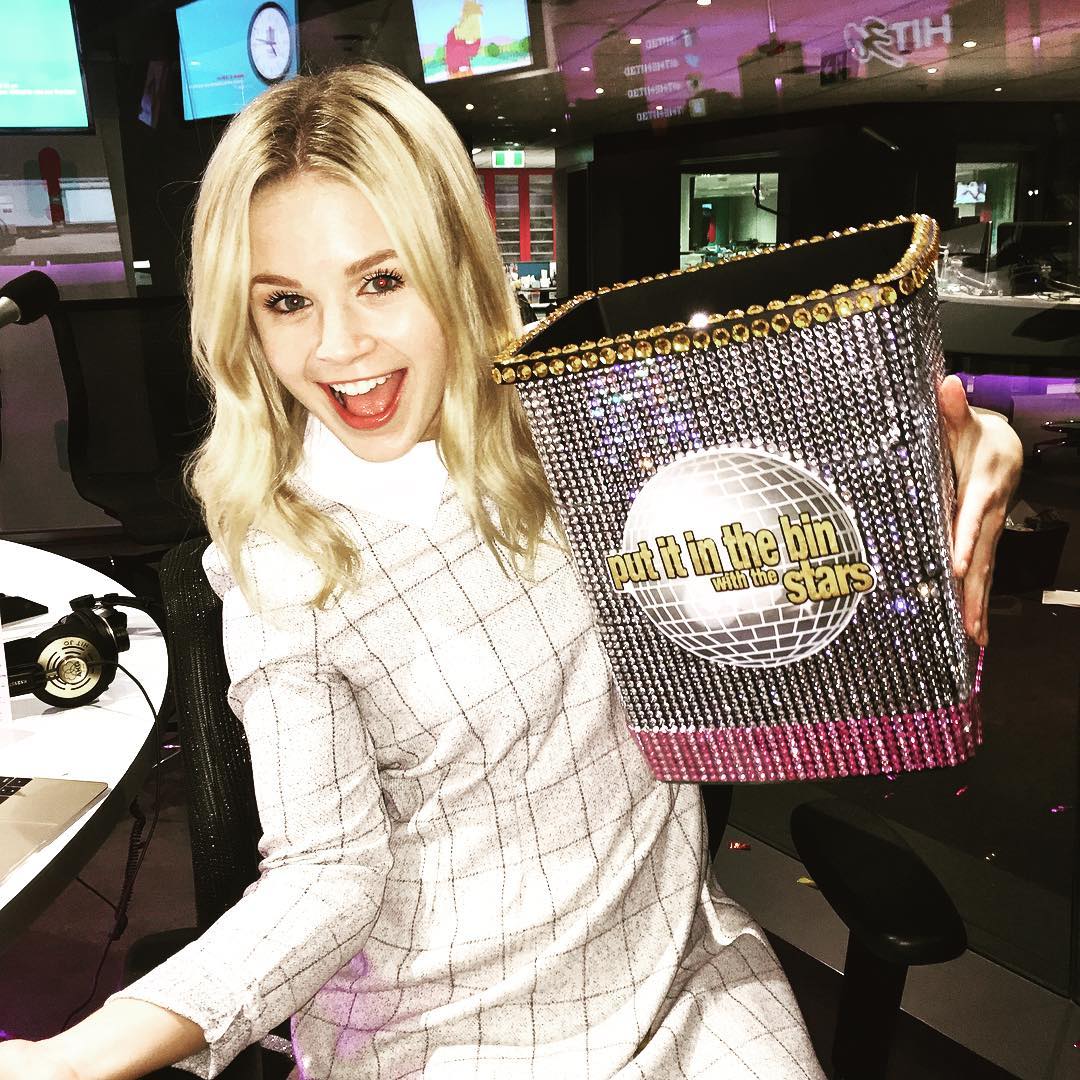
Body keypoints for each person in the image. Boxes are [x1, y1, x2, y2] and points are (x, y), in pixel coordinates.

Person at [0, 64, 1021, 1080]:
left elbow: (819, 483)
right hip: (446, 1031)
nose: (340, 346)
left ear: (453, 263)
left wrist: (959, 449)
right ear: (245, 319)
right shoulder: (282, 563)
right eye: (287, 301)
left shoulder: (590, 423)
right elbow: (325, 873)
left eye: (382, 280)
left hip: (679, 969)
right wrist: (78, 1060)